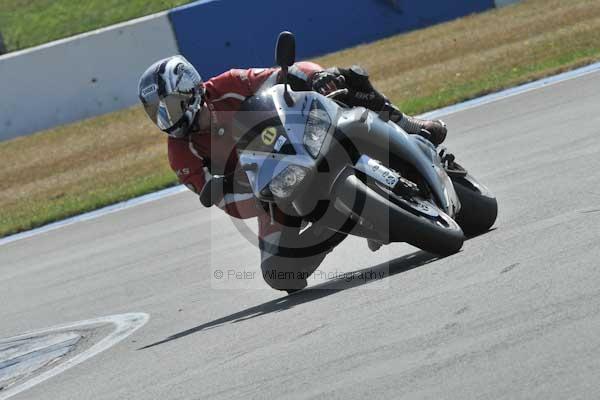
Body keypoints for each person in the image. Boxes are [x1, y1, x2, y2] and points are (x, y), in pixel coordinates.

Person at [137, 56, 447, 292]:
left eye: (170, 107)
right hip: (271, 191)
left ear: (190, 90)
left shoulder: (228, 84)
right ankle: (343, 221)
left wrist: (317, 77)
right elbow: (224, 200)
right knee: (278, 273)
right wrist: (247, 193)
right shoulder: (180, 154)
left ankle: (409, 125)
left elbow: (283, 75)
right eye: (157, 113)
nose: (165, 119)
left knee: (347, 83)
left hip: (302, 138)